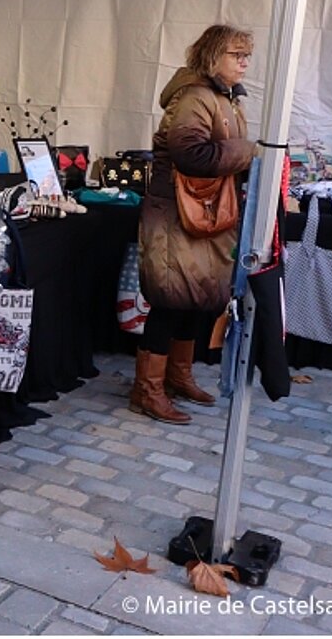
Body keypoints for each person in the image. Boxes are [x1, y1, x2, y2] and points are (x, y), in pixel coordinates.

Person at [133, 25, 257, 424]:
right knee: (170, 301)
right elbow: (191, 154)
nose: (244, 63)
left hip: (204, 214)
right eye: (236, 55)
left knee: (195, 297)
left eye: (246, 56)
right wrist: (251, 152)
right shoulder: (196, 98)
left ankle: (177, 376)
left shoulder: (224, 98)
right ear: (211, 57)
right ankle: (147, 390)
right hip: (176, 215)